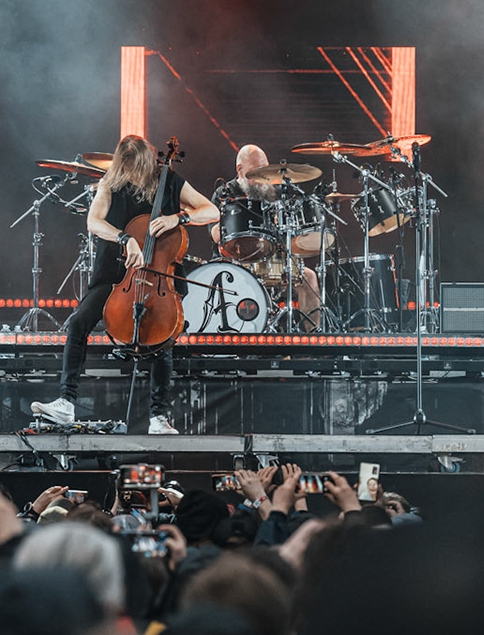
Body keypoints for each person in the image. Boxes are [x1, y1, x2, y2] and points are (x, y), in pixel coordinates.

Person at [31, 135, 218, 435]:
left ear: (148, 163)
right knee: (78, 323)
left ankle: (159, 417)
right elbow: (94, 222)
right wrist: (125, 238)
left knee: (162, 336)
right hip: (115, 276)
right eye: (126, 169)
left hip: (157, 276)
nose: (132, 176)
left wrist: (178, 218)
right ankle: (66, 402)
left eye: (137, 169)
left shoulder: (168, 180)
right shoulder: (111, 181)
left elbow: (212, 211)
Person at [216, 143, 322, 329]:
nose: (263, 175)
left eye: (265, 169)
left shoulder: (277, 193)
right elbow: (215, 235)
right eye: (257, 171)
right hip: (238, 264)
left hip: (274, 262)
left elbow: (289, 235)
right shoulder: (225, 193)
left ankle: (312, 342)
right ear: (240, 170)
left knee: (310, 277)